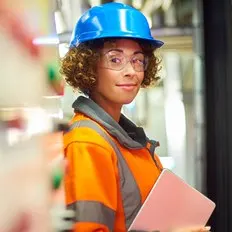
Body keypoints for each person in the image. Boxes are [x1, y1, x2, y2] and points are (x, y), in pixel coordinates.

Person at [60, 2, 210, 232]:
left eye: (137, 60)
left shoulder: (133, 144)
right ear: (88, 66)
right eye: (115, 59)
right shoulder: (88, 144)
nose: (131, 71)